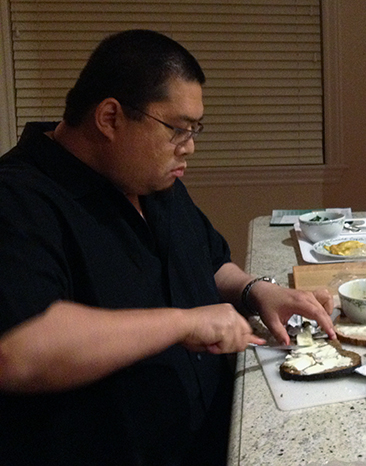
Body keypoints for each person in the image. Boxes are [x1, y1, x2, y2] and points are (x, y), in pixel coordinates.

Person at [0, 30, 337, 465]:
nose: (189, 147)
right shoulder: (19, 200)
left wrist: (257, 290)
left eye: (195, 130)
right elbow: (20, 347)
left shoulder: (149, 178)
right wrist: (181, 324)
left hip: (210, 440)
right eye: (177, 130)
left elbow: (208, 262)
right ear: (109, 118)